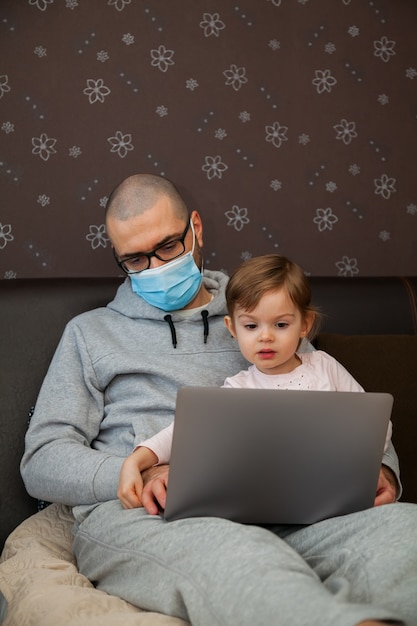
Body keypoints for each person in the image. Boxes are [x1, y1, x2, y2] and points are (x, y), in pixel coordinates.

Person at [20, 173, 417, 626]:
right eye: (134, 258)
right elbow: (42, 460)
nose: (154, 267)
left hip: (288, 506)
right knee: (239, 556)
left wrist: (383, 469)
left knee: (406, 534)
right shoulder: (90, 334)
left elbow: (334, 406)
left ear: (196, 229)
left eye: (168, 246)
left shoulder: (261, 313)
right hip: (152, 518)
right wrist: (141, 471)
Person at [117, 253, 393, 515]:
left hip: (330, 498)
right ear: (232, 328)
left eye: (281, 325)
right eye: (251, 326)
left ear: (304, 324)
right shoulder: (237, 389)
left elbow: (375, 423)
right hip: (261, 504)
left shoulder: (324, 366)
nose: (266, 337)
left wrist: (362, 468)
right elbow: (184, 432)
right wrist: (136, 461)